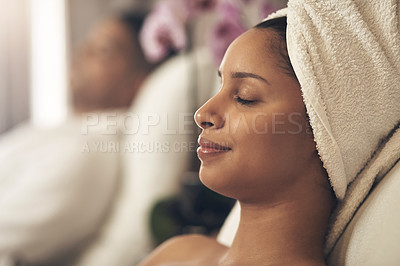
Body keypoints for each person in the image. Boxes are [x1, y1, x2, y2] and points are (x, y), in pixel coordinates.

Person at [139, 0, 400, 264]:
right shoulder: (181, 254)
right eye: (220, 87)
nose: (202, 114)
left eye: (245, 97)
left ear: (324, 129)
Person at [0, 12, 155, 266]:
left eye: (103, 50)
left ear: (137, 84)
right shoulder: (62, 132)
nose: (82, 53)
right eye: (88, 43)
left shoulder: (86, 153)